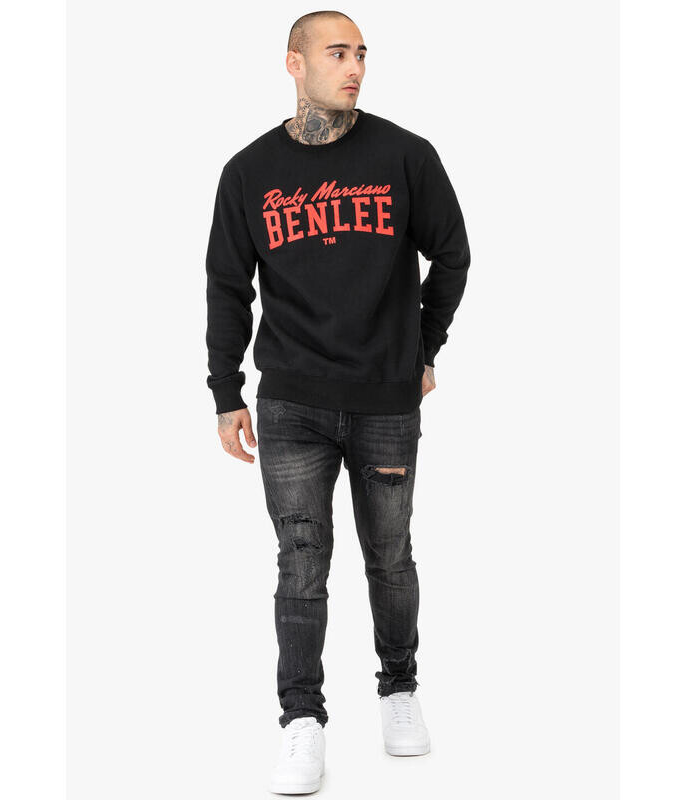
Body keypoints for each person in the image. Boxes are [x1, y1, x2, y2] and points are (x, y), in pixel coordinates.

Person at [204, 10, 471, 794]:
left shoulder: (405, 156)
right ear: (294, 63)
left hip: (385, 398)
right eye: (336, 53)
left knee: (389, 553)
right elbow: (227, 287)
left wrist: (424, 349)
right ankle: (302, 720)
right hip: (291, 403)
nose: (354, 67)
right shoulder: (249, 172)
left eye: (360, 54)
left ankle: (399, 689)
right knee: (301, 560)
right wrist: (226, 392)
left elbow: (453, 255)